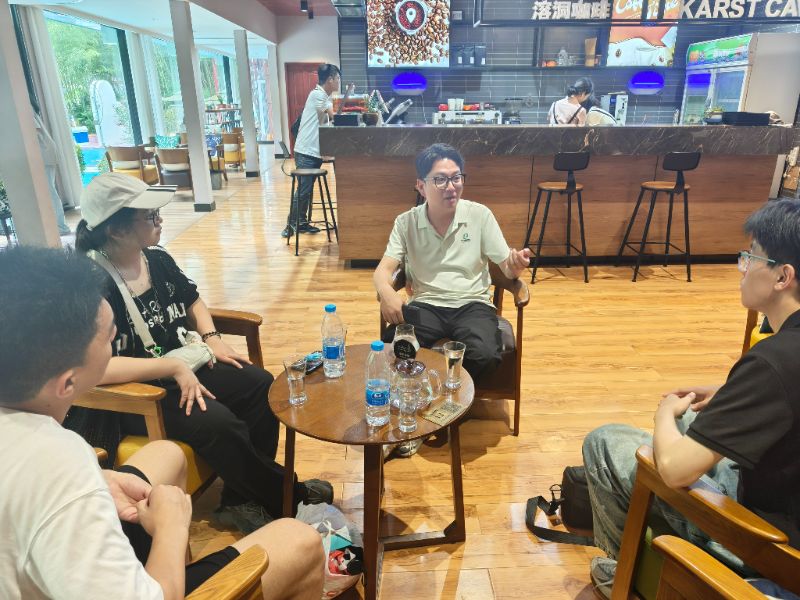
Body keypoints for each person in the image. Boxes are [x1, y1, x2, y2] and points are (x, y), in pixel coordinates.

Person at [0, 245, 325, 600]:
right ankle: (279, 501)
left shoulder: (33, 442)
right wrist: (172, 528)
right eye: (109, 337)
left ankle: (248, 499)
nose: (115, 341)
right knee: (301, 540)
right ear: (68, 383)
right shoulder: (61, 468)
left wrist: (101, 478)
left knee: (167, 455)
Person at [70, 173, 332, 534]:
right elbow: (93, 369)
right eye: (149, 216)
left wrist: (212, 337)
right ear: (115, 230)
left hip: (181, 364)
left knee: (259, 384)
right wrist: (171, 367)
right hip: (136, 392)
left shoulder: (155, 259)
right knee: (218, 423)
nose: (160, 220)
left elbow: (192, 299)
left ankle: (240, 499)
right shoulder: (89, 284)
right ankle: (289, 494)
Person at [583, 199, 800, 598]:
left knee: (605, 442)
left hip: (772, 546)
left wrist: (664, 413)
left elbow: (674, 470)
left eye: (751, 257)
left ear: (783, 276)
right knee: (694, 420)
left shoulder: (773, 361)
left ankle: (626, 577)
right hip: (785, 500)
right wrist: (729, 393)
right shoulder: (782, 356)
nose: (743, 267)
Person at [373, 143, 532, 455]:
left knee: (485, 355)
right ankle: (425, 408)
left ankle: (436, 413)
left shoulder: (479, 215)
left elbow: (505, 266)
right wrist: (387, 293)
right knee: (396, 347)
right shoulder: (406, 222)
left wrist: (515, 265)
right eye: (440, 179)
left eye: (457, 177)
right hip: (426, 303)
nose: (451, 186)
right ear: (421, 186)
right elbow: (383, 270)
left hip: (472, 302)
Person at [282, 63, 351, 239]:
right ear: (330, 79)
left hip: (313, 150)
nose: (339, 82)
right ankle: (290, 225)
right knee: (304, 190)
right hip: (307, 150)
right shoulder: (318, 95)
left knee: (307, 189)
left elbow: (331, 119)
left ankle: (301, 222)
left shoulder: (322, 96)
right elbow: (335, 116)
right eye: (338, 78)